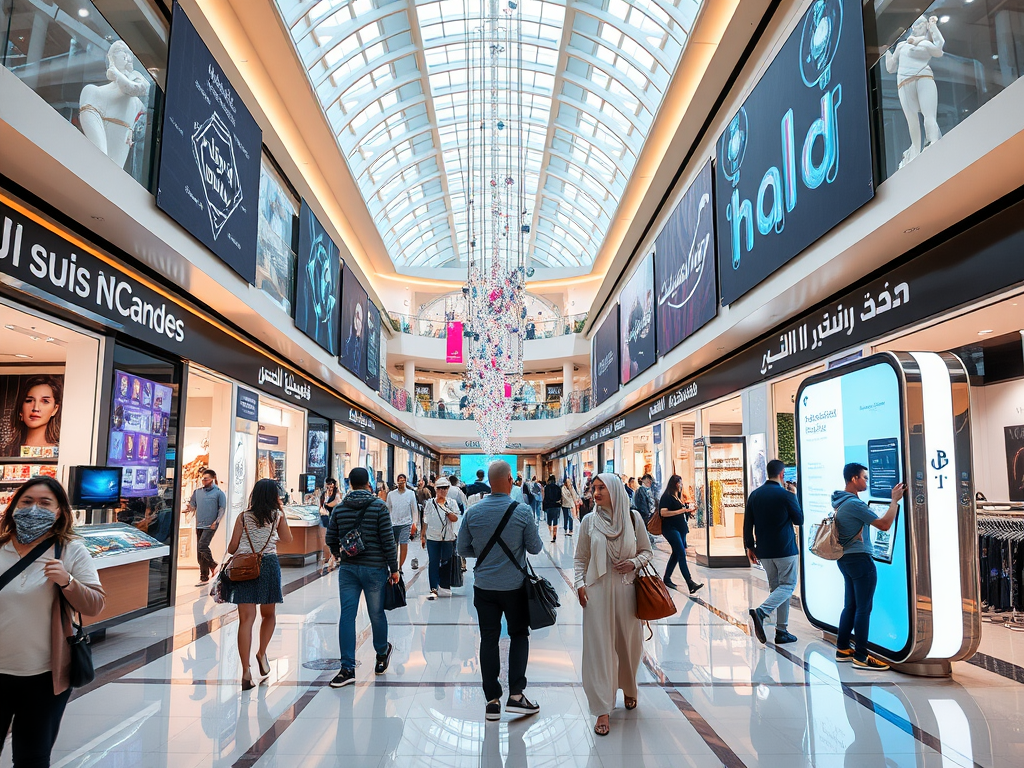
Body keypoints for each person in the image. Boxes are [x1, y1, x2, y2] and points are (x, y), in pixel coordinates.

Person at [0, 477, 105, 766]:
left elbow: (95, 604)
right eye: (27, 502)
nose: (34, 509)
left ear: (59, 511)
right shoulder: (0, 547)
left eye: (45, 503)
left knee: (31, 757)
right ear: (14, 506)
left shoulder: (70, 551)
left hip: (45, 677)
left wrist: (67, 581)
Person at [457, 460, 542, 721]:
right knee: (518, 635)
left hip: (484, 587)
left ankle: (492, 701)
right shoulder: (523, 511)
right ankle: (516, 695)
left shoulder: (473, 512)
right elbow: (536, 547)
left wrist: (485, 554)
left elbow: (462, 548)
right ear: (508, 479)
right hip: (515, 586)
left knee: (489, 638)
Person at [574, 473, 653, 736]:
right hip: (597, 593)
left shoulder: (633, 519)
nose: (595, 493)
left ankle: (629, 686)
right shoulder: (588, 521)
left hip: (626, 590)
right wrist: (579, 584)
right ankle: (602, 710)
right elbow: (580, 558)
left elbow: (646, 551)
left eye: (602, 489)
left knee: (629, 645)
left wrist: (634, 563)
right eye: (594, 488)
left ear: (616, 491)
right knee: (599, 649)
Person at [326, 467, 400, 688]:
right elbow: (388, 540)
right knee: (376, 613)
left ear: (349, 484)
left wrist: (341, 554)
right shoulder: (379, 506)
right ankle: (381, 654)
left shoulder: (340, 509)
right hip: (375, 568)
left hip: (349, 569)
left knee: (347, 615)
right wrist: (394, 569)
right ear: (369, 483)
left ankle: (347, 668)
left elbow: (331, 537)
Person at [832, 463, 904, 671]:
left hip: (845, 559)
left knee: (851, 605)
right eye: (864, 477)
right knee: (863, 608)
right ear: (854, 479)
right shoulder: (854, 504)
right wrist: (894, 501)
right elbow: (884, 525)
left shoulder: (840, 501)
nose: (867, 481)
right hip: (860, 560)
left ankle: (843, 648)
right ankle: (861, 656)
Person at [223, 479, 293, 690]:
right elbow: (288, 539)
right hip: (269, 565)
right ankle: (261, 653)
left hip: (244, 567)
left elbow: (232, 547)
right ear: (274, 496)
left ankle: (245, 671)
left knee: (246, 619)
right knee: (268, 614)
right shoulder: (277, 516)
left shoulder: (243, 516)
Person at [744, 460, 803, 645]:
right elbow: (799, 520)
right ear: (782, 474)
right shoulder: (786, 495)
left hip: (765, 551)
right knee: (788, 586)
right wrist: (794, 496)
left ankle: (782, 631)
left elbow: (748, 524)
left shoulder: (755, 495)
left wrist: (749, 547)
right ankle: (761, 612)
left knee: (777, 589)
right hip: (785, 550)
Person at [659, 475, 703, 594]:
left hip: (680, 528)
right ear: (674, 483)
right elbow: (663, 513)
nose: (681, 485)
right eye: (679, 483)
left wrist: (687, 510)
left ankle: (667, 578)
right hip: (671, 529)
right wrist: (681, 510)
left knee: (676, 553)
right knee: (681, 553)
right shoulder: (667, 496)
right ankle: (690, 583)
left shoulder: (677, 496)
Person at [420, 477, 460, 600]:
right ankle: (433, 588)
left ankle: (444, 586)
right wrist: (422, 535)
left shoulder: (452, 503)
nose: (443, 491)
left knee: (446, 562)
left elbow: (455, 518)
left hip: (448, 538)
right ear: (436, 489)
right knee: (433, 562)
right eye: (440, 488)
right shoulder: (430, 503)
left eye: (445, 488)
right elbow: (425, 520)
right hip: (432, 537)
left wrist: (447, 510)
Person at [2, 375, 63, 457]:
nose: (36, 408)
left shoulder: (60, 452)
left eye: (45, 401)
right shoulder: (7, 451)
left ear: (55, 409)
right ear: (21, 409)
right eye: (29, 401)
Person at [188, 469, 226, 587]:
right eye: (203, 479)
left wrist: (217, 521)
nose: (204, 481)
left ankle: (214, 565)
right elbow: (193, 504)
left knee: (202, 545)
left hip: (211, 524)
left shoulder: (219, 493)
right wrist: (189, 508)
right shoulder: (197, 492)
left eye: (206, 479)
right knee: (200, 551)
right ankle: (203, 576)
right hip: (199, 523)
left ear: (212, 479)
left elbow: (222, 508)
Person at [386, 474, 417, 571]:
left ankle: (400, 567)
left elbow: (414, 510)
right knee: (393, 546)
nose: (401, 483)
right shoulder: (391, 494)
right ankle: (394, 566)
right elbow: (388, 509)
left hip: (406, 523)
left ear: (406, 482)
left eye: (403, 481)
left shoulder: (411, 493)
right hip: (393, 523)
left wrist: (414, 523)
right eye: (399, 481)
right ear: (397, 482)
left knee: (404, 544)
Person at [320, 478, 341, 573]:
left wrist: (327, 504)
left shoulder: (337, 493)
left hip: (335, 517)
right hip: (326, 516)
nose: (330, 486)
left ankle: (334, 557)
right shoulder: (325, 493)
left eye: (331, 483)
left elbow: (336, 502)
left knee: (334, 536)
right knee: (327, 536)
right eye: (328, 484)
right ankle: (329, 557)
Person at [542, 476, 563, 543]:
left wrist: (544, 507)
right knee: (555, 521)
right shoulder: (558, 488)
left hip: (549, 506)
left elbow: (544, 497)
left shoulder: (547, 487)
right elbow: (560, 497)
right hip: (556, 506)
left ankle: (550, 533)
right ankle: (554, 534)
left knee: (549, 521)